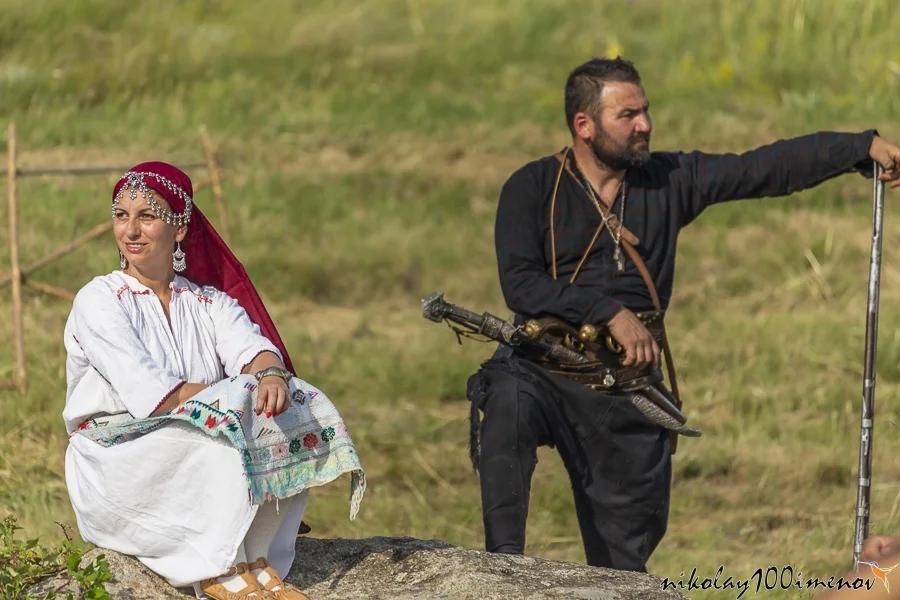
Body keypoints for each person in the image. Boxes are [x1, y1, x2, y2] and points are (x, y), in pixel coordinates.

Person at [465, 56, 900, 573]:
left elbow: (764, 167)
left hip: (624, 386)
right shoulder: (531, 187)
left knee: (621, 570)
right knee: (506, 396)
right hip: (543, 364)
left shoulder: (668, 179)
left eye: (645, 110)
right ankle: (499, 573)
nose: (645, 124)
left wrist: (858, 148)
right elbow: (520, 283)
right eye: (628, 115)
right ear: (584, 125)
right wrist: (606, 311)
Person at [62, 162, 366, 599]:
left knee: (288, 404)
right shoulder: (100, 299)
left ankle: (256, 562)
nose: (130, 230)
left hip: (185, 438)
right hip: (119, 458)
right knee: (226, 429)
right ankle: (214, 566)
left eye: (146, 216)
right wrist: (240, 394)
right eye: (121, 215)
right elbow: (153, 396)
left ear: (179, 228)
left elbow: (254, 349)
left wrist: (272, 376)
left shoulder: (207, 301)